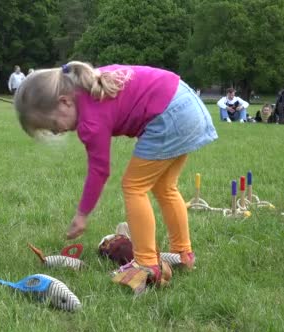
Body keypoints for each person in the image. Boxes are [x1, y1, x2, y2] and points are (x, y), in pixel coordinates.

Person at [14, 62, 217, 293]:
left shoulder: (90, 120)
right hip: (185, 102)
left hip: (168, 114)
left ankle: (146, 263)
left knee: (134, 186)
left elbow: (99, 170)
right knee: (165, 186)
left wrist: (82, 215)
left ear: (64, 101)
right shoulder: (88, 81)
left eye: (52, 125)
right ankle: (183, 254)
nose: (56, 132)